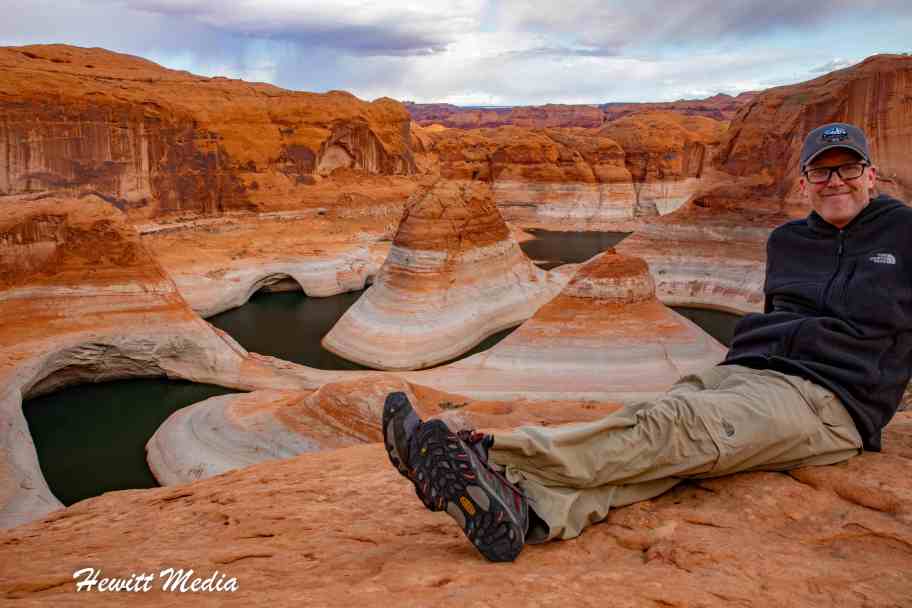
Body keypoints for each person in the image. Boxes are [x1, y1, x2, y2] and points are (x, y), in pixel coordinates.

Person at [382, 122, 912, 562]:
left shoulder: (902, 233)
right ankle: (530, 512)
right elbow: (781, 316)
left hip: (830, 402)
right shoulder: (788, 241)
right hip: (750, 372)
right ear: (804, 182)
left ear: (871, 175)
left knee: (676, 428)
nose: (834, 180)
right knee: (668, 442)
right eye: (822, 170)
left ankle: (488, 455)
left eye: (847, 168)